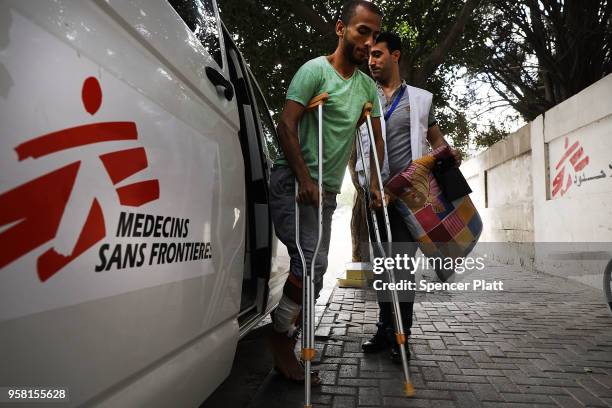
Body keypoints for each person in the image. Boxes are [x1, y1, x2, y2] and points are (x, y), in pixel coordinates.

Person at [268, 0, 385, 383]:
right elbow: (286, 125)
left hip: (328, 192)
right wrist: (304, 179)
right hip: (295, 184)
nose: (369, 42)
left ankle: (288, 336)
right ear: (341, 29)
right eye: (361, 31)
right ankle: (281, 341)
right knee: (310, 266)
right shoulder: (314, 72)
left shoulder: (367, 85)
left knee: (314, 274)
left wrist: (371, 183)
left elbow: (376, 140)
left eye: (374, 35)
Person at [356, 32, 462, 362]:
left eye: (377, 54)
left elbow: (436, 140)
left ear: (395, 55)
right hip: (375, 196)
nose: (370, 61)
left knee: (402, 268)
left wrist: (449, 153)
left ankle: (402, 335)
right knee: (383, 266)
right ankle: (385, 329)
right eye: (369, 56)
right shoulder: (362, 95)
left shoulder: (418, 99)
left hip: (411, 197)